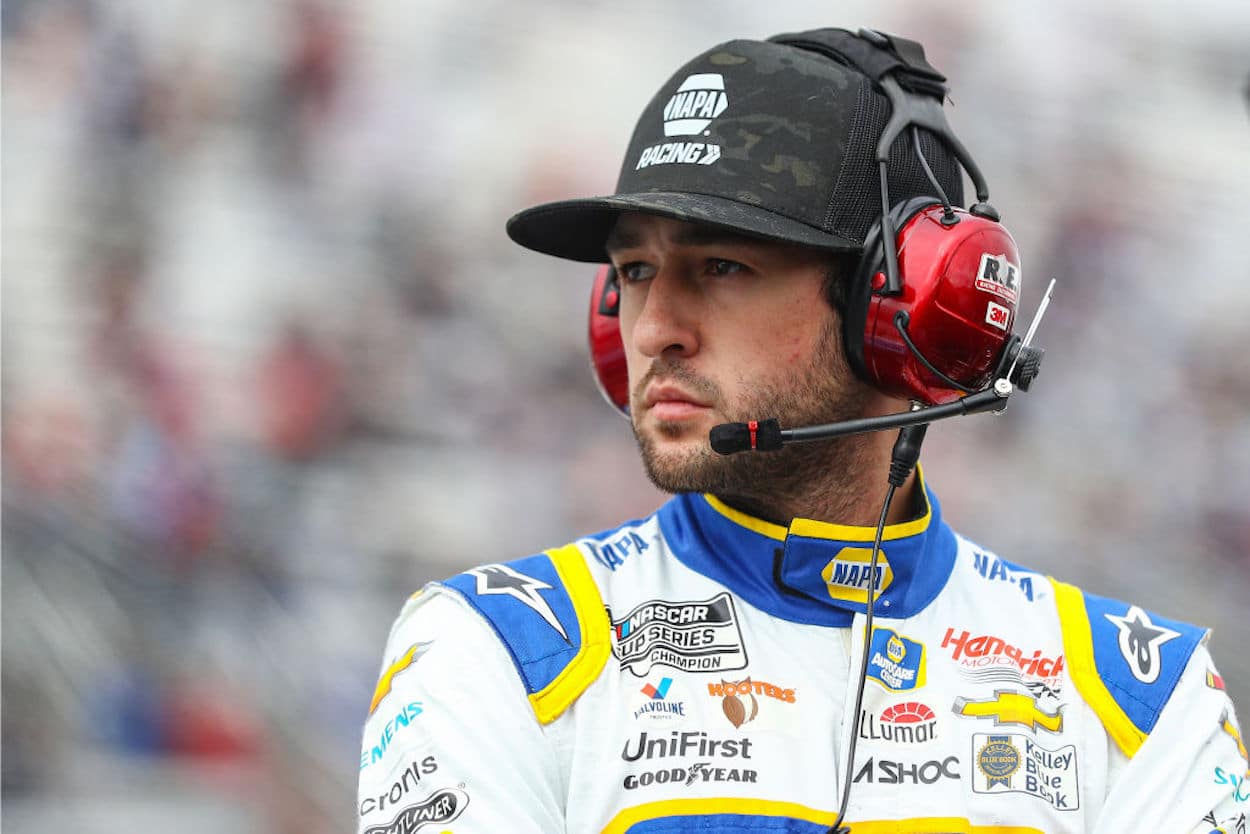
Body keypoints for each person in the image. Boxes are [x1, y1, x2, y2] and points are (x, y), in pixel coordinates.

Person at [356, 27, 1247, 834]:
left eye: (723, 265)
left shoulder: (1139, 696)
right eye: (634, 269)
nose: (653, 325)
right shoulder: (493, 651)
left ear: (899, 310)